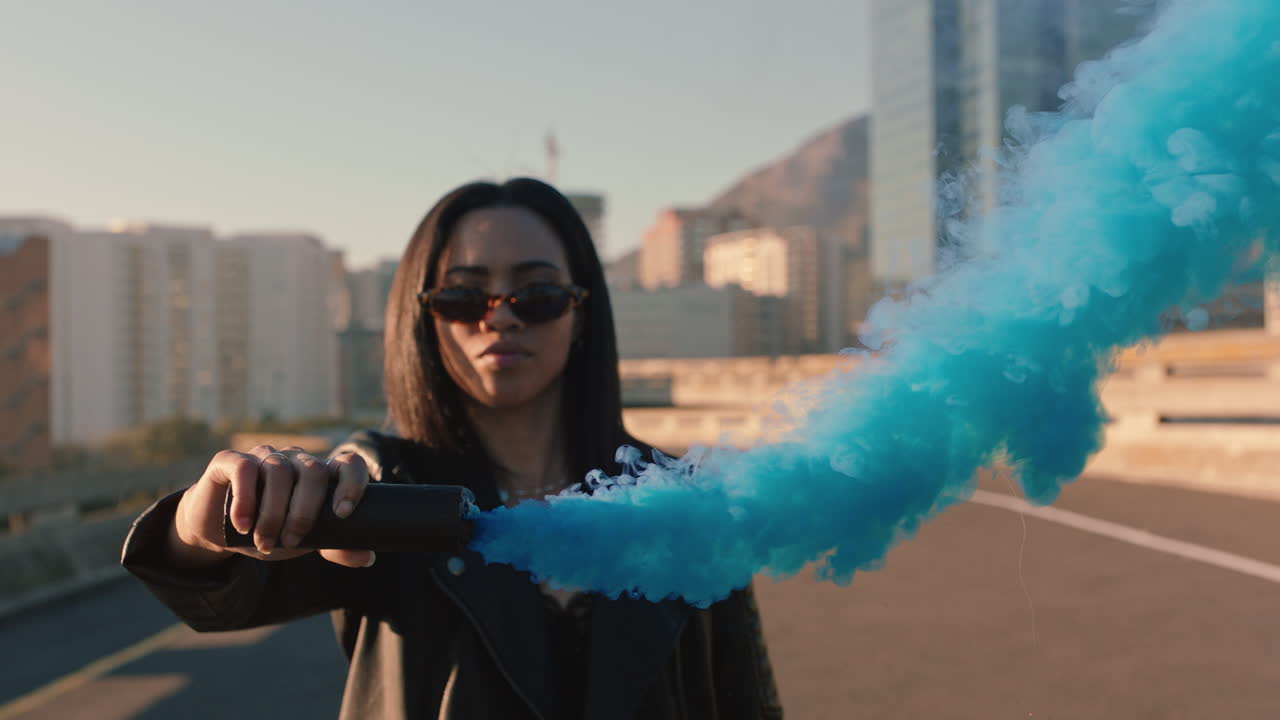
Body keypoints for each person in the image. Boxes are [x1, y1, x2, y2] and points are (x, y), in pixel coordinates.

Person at [121, 177, 784, 720]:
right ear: (424, 316)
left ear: (582, 311)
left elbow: (743, 696)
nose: (500, 316)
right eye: (463, 295)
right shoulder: (380, 489)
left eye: (538, 294)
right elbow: (222, 590)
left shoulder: (680, 496)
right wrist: (206, 520)